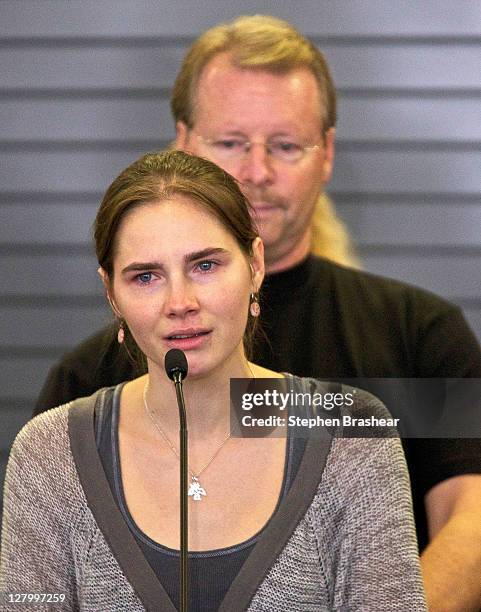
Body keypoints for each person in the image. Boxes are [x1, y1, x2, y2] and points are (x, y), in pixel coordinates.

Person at [33, 16, 481, 611]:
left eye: (286, 145)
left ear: (327, 154)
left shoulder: (420, 338)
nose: (257, 171)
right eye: (231, 143)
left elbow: (471, 516)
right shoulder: (88, 383)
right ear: (183, 142)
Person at [0, 150, 427, 611]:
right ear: (112, 294)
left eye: (205, 266)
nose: (180, 301)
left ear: (255, 265)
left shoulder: (347, 432)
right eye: (146, 277)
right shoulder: (49, 453)